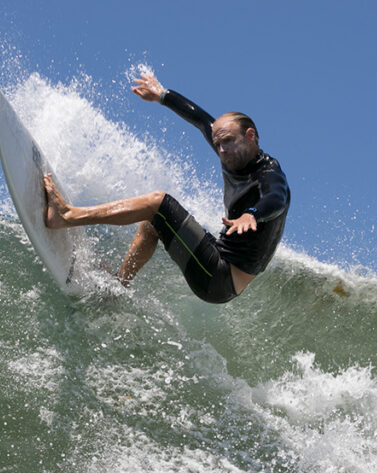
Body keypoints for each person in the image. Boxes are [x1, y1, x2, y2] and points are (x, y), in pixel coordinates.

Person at [43, 71, 290, 304]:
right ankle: (119, 286)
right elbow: (201, 120)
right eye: (218, 144)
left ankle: (68, 216)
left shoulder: (268, 173)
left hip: (220, 277)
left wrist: (253, 214)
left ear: (250, 136)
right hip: (217, 263)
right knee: (153, 224)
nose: (221, 150)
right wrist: (161, 94)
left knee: (159, 202)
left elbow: (275, 197)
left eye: (228, 142)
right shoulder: (230, 150)